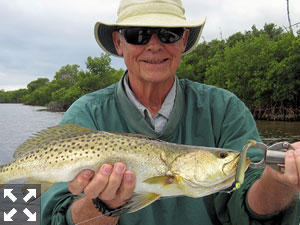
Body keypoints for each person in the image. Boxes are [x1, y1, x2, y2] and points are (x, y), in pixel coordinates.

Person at [41, 0, 300, 224]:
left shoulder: (226, 109)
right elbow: (50, 216)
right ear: (119, 43)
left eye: (168, 33)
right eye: (138, 34)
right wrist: (104, 206)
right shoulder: (86, 112)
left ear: (184, 41)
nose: (154, 45)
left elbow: (251, 206)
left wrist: (278, 182)